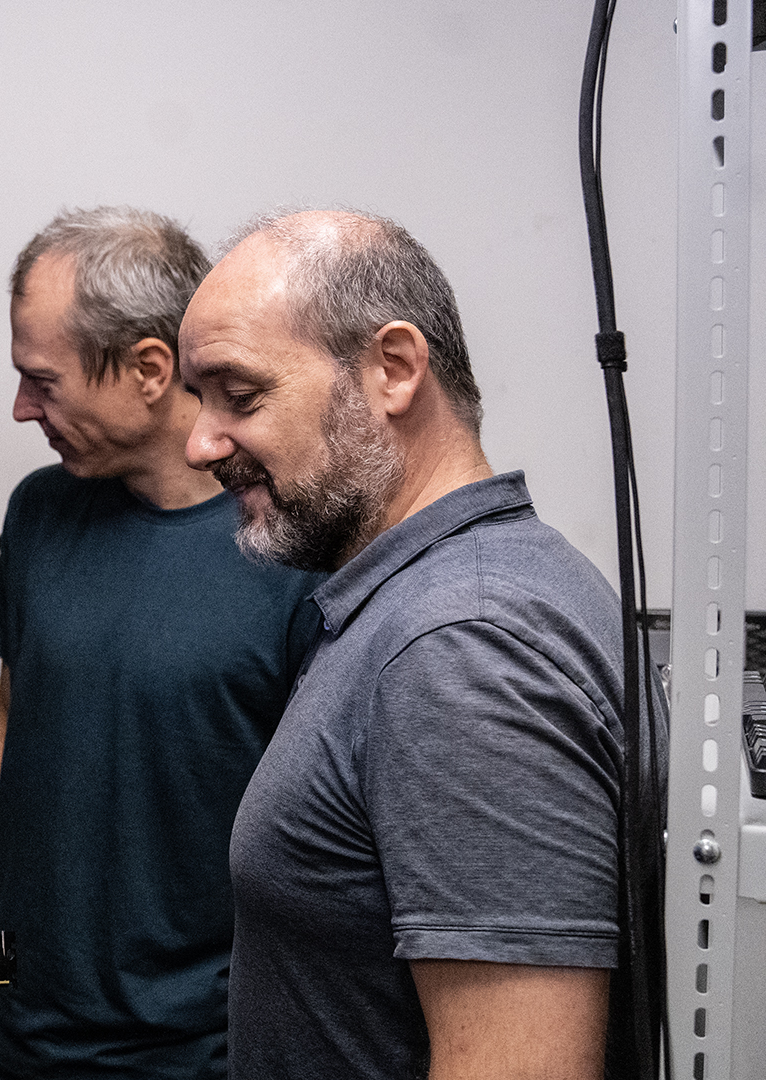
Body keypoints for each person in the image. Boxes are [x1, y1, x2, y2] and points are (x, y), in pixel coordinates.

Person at [177, 209, 621, 1080]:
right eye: (200, 400)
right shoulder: (430, 600)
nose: (201, 443)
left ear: (394, 369)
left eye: (241, 394)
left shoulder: (463, 648)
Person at [0, 207, 326, 1080]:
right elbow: (9, 726)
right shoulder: (39, 511)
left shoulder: (294, 546)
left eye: (43, 381)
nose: (20, 408)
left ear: (150, 370)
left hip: (203, 1049)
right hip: (24, 1033)